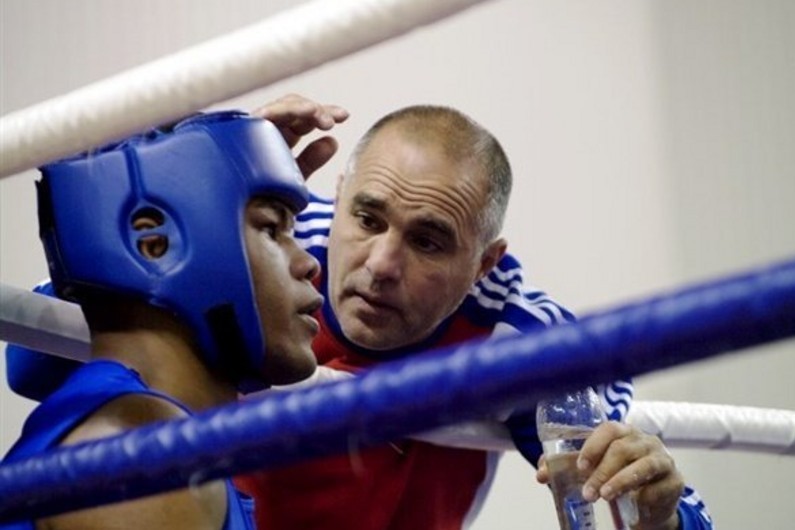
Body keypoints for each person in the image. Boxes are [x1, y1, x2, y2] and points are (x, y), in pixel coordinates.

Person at [233, 95, 714, 530]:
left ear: (484, 263)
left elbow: (649, 498)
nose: (380, 265)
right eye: (367, 219)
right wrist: (211, 177)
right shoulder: (265, 245)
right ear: (339, 199)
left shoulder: (519, 338)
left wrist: (661, 519)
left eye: (426, 241)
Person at [1, 110, 325, 530]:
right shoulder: (136, 459)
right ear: (154, 243)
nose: (307, 263)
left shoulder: (152, 442)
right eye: (271, 229)